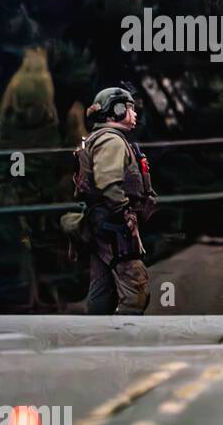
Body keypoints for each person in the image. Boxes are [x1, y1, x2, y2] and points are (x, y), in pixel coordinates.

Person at [66, 87, 157, 314]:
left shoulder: (99, 139)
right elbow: (108, 181)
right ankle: (125, 339)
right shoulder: (112, 141)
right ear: (115, 110)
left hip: (101, 222)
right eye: (129, 108)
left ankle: (97, 341)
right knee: (136, 288)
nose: (134, 114)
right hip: (114, 224)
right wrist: (123, 210)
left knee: (102, 289)